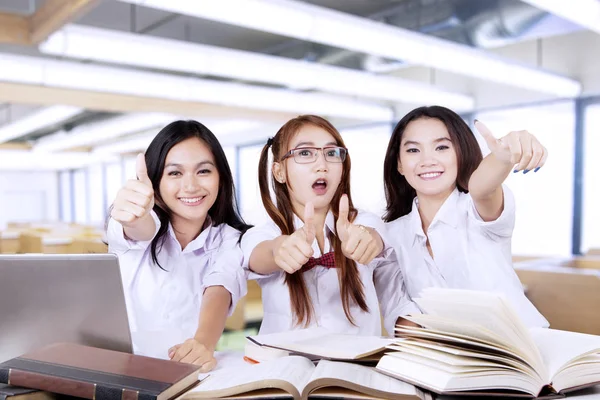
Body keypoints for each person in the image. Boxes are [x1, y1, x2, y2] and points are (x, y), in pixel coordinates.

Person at [241, 115, 419, 337]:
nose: (322, 165)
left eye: (331, 153)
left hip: (354, 368)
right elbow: (259, 254)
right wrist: (279, 249)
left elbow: (373, 236)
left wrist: (366, 240)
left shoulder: (364, 222)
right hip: (284, 367)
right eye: (305, 153)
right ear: (279, 172)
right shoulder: (263, 234)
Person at [383, 105, 548, 327]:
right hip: (448, 357)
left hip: (521, 352)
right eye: (413, 150)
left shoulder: (476, 210)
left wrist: (502, 158)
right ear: (399, 165)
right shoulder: (392, 234)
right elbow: (400, 309)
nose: (427, 160)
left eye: (441, 147)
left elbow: (482, 189)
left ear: (460, 154)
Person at [107, 120, 250, 370]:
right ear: (155, 181)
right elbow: (141, 230)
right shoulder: (139, 223)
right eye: (175, 173)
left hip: (187, 379)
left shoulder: (229, 239)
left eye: (203, 171)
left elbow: (219, 287)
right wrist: (135, 216)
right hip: (121, 373)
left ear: (221, 178)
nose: (191, 186)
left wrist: (202, 345)